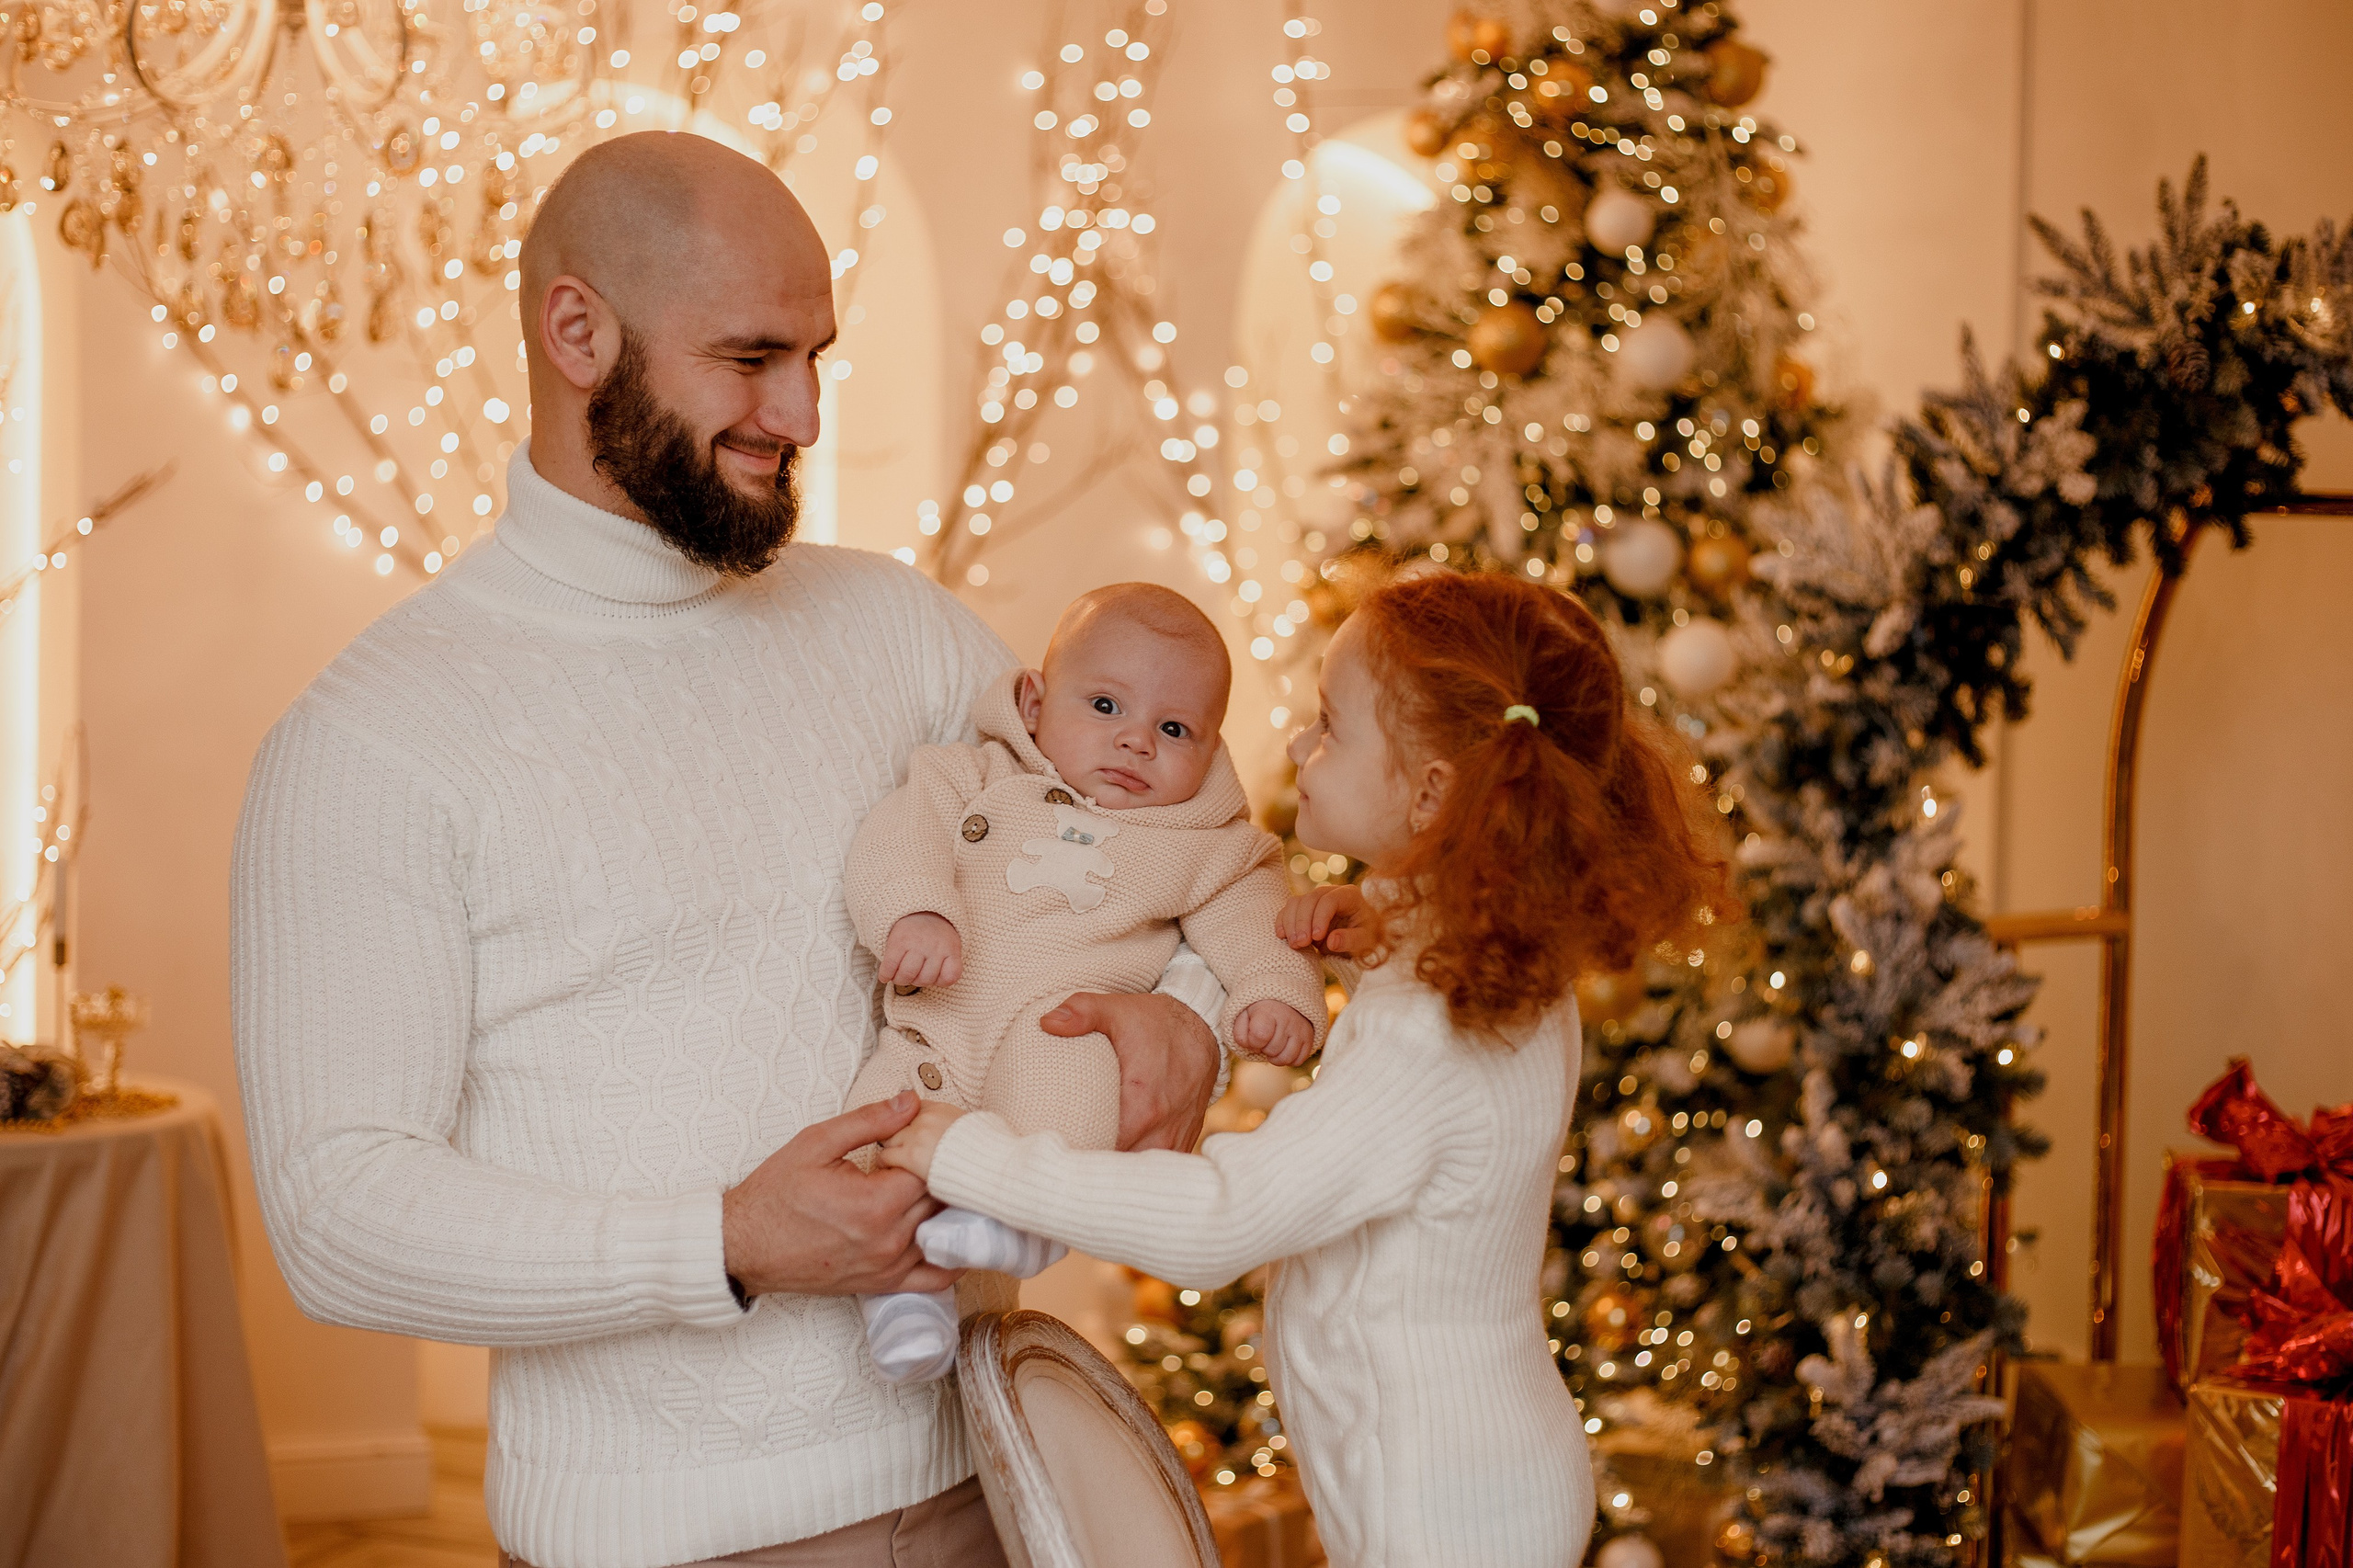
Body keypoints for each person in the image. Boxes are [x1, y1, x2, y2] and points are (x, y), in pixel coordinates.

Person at [230, 131, 1226, 1568]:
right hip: (658, 1543)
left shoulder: (897, 629)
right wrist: (726, 1241)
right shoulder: (372, 741)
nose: (804, 412)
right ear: (578, 332)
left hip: (995, 1490)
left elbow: (1163, 828)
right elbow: (340, 1214)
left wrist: (1184, 1018)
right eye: (753, 358)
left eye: (816, 357)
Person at [881, 570, 1729, 1567]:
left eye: (1329, 727)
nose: (1293, 748)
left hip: (1446, 1516)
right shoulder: (1496, 966)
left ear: (1429, 794)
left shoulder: (1428, 1041)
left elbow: (1221, 1219)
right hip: (1465, 1478)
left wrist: (968, 1154)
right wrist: (1385, 931)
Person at [843, 583, 1324, 1382]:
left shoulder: (1204, 843)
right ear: (1034, 705)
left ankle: (1026, 1218)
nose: (1136, 742)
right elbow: (899, 837)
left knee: (1065, 1071)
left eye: (1174, 729)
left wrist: (1275, 991)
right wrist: (915, 911)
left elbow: (1255, 914)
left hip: (1056, 1026)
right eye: (1105, 706)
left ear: (1211, 749)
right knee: (876, 1135)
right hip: (935, 1040)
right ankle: (903, 1298)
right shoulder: (968, 775)